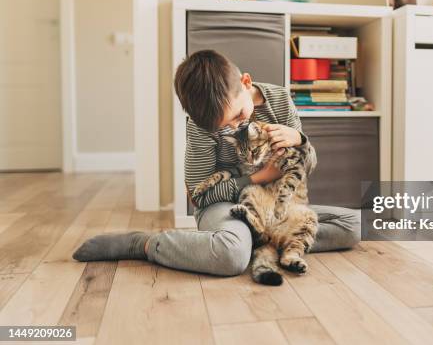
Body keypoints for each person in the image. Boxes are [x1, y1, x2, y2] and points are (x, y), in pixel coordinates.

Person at [72, 50, 361, 275]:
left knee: (354, 225)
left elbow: (305, 166)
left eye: (237, 116)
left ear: (246, 83)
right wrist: (258, 178)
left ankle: (255, 239)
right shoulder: (201, 126)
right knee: (231, 256)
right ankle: (147, 244)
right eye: (223, 126)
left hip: (276, 205)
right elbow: (200, 195)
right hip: (227, 206)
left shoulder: (280, 100)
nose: (233, 128)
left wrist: (299, 139)